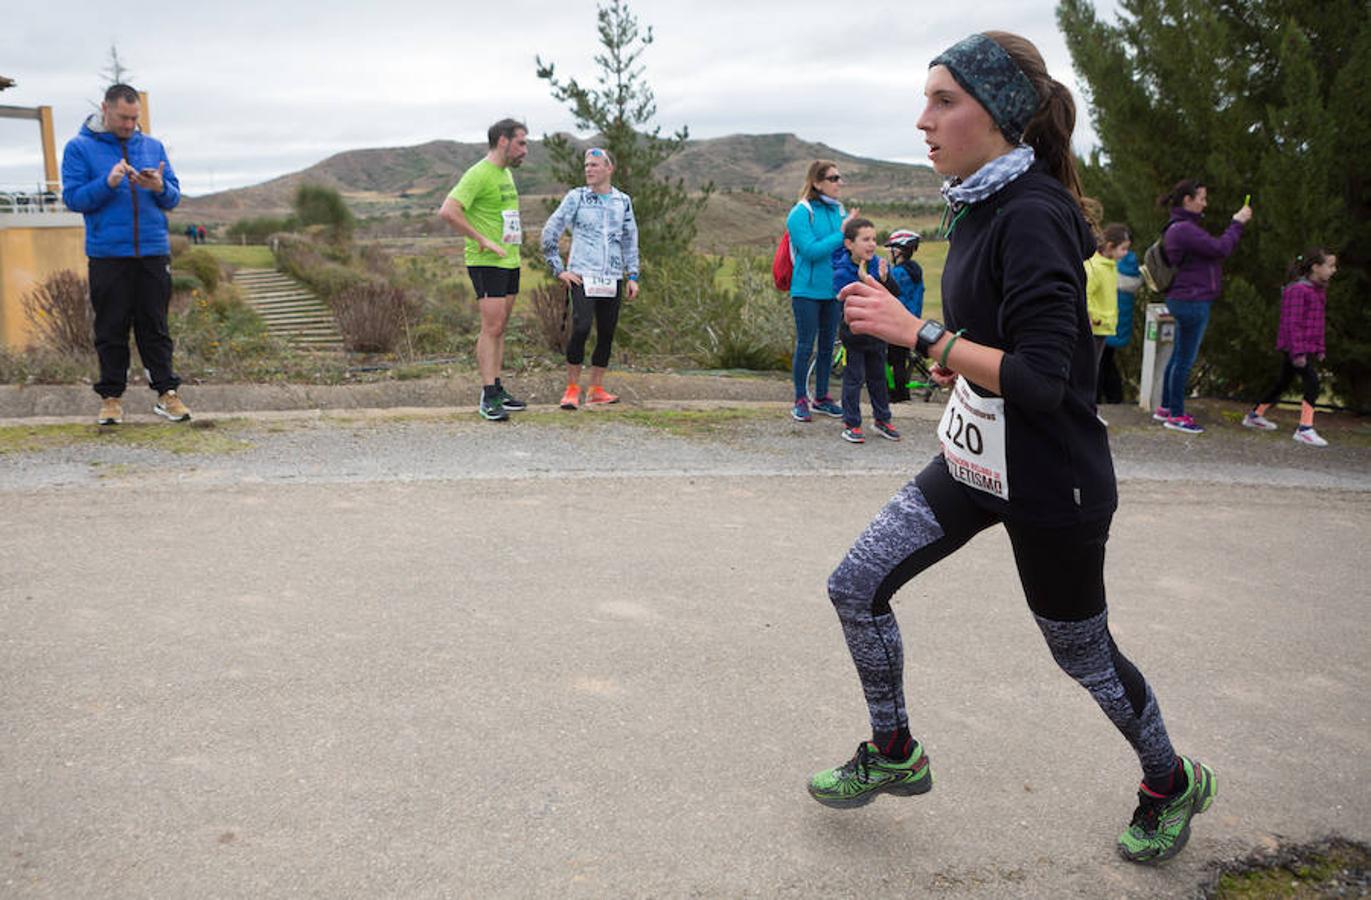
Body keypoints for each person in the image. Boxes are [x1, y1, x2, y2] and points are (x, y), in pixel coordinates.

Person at [818, 31, 1215, 865]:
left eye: (943, 101)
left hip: (1050, 480)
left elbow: (1044, 379)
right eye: (925, 98)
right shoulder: (978, 202)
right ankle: (893, 752)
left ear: (997, 116)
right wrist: (931, 334)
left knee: (1083, 657)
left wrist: (918, 333)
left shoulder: (1029, 215)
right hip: (975, 461)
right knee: (854, 585)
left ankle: (1170, 780)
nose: (921, 119)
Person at [60, 83, 190, 425]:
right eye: (123, 117)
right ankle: (111, 399)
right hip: (107, 254)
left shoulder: (153, 146)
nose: (130, 125)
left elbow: (174, 198)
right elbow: (73, 199)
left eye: (134, 118)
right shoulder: (79, 148)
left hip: (153, 250)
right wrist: (109, 182)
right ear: (105, 109)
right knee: (111, 328)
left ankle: (167, 395)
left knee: (155, 327)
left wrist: (159, 187)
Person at [438, 118, 530, 421]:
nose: (525, 150)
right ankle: (488, 395)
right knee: (491, 328)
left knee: (501, 327)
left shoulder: (506, 174)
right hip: (486, 262)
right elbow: (448, 210)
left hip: (509, 259)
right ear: (502, 141)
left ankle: (498, 388)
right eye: (521, 143)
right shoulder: (478, 173)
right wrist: (480, 239)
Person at [540, 147, 640, 410]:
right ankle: (572, 388)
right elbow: (551, 230)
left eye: (595, 165)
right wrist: (558, 269)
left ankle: (596, 389)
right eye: (587, 165)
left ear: (609, 169)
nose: (589, 169)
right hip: (582, 276)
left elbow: (630, 239)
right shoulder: (577, 198)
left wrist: (632, 275)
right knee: (581, 327)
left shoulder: (623, 201)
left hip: (612, 277)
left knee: (606, 332)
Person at [1153, 179, 1252, 434]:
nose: (1205, 203)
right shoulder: (1185, 229)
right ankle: (1176, 415)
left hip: (1181, 297)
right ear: (1188, 200)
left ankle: (1165, 407)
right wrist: (1237, 223)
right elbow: (1221, 249)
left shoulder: (1177, 226)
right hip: (1193, 300)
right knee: (1185, 360)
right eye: (1202, 198)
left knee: (1178, 355)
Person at [787, 160, 859, 422]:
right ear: (817, 182)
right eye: (833, 178)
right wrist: (842, 233)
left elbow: (841, 251)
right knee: (806, 345)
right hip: (806, 291)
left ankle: (822, 398)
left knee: (828, 346)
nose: (839, 183)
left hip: (833, 292)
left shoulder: (838, 210)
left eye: (840, 177)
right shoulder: (800, 213)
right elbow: (811, 251)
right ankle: (800, 399)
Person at [1243, 248, 1337, 446]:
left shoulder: (1318, 291)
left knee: (1283, 382)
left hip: (1304, 348)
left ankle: (1255, 415)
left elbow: (1317, 323)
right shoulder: (1297, 290)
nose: (1333, 270)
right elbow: (1292, 324)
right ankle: (1305, 428)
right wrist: (1298, 352)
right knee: (1312, 382)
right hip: (1295, 348)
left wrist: (1319, 348)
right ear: (1316, 267)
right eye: (1330, 266)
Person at [832, 218, 899, 443]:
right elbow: (850, 301)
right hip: (855, 336)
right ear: (849, 244)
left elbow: (893, 295)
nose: (872, 244)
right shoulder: (842, 271)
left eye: (874, 239)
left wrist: (885, 279)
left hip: (878, 335)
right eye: (865, 239)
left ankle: (882, 419)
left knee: (878, 378)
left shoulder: (879, 265)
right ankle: (852, 423)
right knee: (854, 379)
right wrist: (867, 281)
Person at [1084, 223, 1131, 422]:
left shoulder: (1110, 267)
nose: (1126, 253)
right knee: (1089, 372)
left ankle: (1090, 410)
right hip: (1095, 326)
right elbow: (1084, 295)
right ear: (1110, 246)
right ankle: (1087, 411)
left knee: (1094, 371)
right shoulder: (1095, 267)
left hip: (1103, 327)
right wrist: (1093, 316)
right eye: (1123, 248)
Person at [884, 229, 924, 403]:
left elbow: (889, 295)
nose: (890, 251)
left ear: (899, 250)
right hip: (911, 321)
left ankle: (898, 395)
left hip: (896, 322)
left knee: (893, 360)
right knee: (899, 359)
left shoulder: (899, 273)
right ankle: (900, 393)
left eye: (892, 248)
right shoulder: (915, 270)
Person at [1098, 247, 1140, 405]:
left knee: (1101, 363)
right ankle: (1114, 397)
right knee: (1107, 362)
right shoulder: (1130, 271)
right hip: (1116, 327)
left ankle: (1101, 398)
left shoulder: (1110, 271)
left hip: (1104, 325)